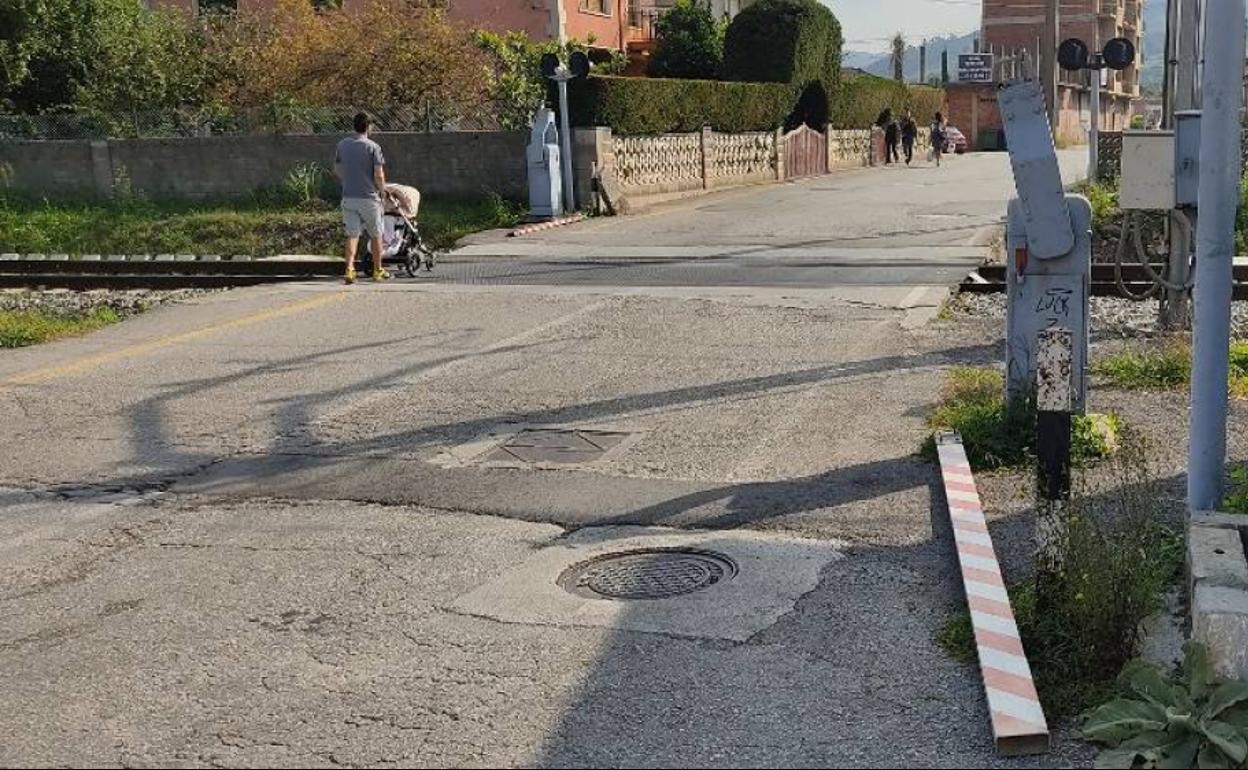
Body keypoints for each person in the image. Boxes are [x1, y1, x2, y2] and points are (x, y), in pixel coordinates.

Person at [333, 111, 390, 284]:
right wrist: (383, 191)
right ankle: (378, 270)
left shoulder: (342, 145)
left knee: (352, 234)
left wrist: (348, 180)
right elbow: (378, 174)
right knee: (376, 234)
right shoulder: (373, 147)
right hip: (369, 198)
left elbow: (336, 169)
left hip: (348, 196)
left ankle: (350, 269)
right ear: (369, 127)